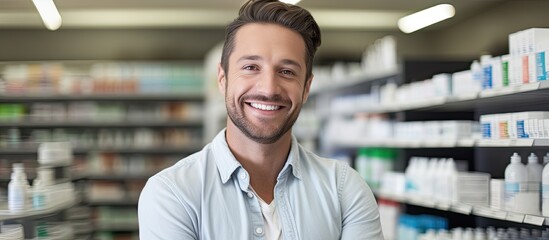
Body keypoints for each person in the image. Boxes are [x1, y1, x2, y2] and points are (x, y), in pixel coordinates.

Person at [138, 0, 383, 239]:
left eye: (287, 71)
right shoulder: (172, 193)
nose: (268, 89)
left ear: (306, 88)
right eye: (251, 67)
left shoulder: (345, 190)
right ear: (222, 79)